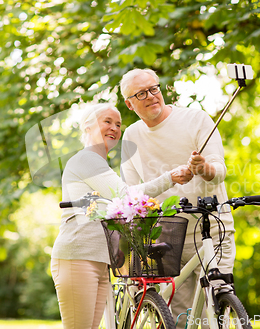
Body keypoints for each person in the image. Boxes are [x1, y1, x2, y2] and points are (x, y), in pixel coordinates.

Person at [50, 103, 193, 329]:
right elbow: (124, 195)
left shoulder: (100, 164)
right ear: (87, 127)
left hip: (98, 260)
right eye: (107, 121)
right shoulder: (86, 159)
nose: (114, 128)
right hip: (77, 257)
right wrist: (170, 178)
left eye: (118, 124)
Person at [119, 69, 236, 328]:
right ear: (129, 103)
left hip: (212, 229)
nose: (151, 96)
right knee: (182, 317)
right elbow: (132, 192)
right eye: (141, 93)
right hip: (169, 235)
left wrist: (204, 169)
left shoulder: (196, 119)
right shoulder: (131, 137)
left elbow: (219, 172)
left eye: (154, 88)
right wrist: (169, 177)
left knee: (216, 307)